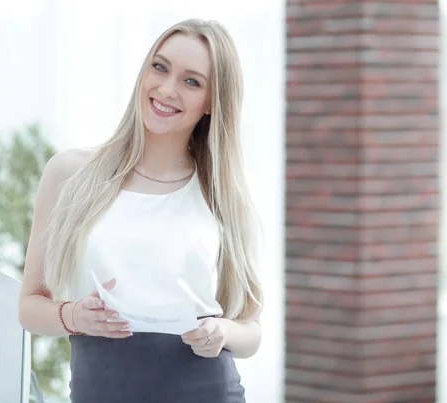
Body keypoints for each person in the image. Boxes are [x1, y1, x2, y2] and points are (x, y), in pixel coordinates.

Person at [18, 18, 263, 403]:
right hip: (101, 388)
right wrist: (74, 317)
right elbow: (30, 307)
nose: (166, 89)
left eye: (191, 81)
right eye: (160, 67)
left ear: (212, 101)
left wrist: (222, 333)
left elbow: (251, 331)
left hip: (207, 390)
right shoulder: (70, 173)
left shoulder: (221, 195)